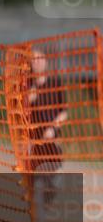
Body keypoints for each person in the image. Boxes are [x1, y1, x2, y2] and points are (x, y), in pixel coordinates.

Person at [25, 50, 68, 201]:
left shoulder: (55, 83)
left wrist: (53, 128)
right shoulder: (26, 86)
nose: (36, 62)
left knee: (52, 173)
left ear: (45, 62)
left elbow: (64, 112)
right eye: (33, 59)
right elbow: (20, 114)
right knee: (34, 180)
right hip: (34, 140)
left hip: (51, 139)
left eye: (39, 58)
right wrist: (27, 100)